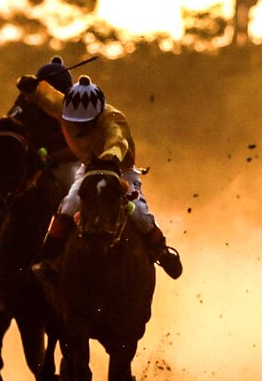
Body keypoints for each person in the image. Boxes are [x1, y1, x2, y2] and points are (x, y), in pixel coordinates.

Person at [16, 73, 183, 280]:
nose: (80, 127)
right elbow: (47, 97)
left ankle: (162, 251)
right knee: (69, 204)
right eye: (75, 122)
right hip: (89, 169)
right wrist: (31, 86)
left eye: (86, 123)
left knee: (137, 210)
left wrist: (109, 158)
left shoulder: (113, 118)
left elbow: (117, 141)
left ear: (97, 114)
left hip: (120, 169)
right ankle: (47, 258)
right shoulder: (66, 108)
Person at [0, 56, 80, 242]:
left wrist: (52, 159)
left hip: (64, 160)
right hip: (31, 156)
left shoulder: (74, 107)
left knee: (72, 189)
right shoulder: (25, 101)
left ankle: (72, 236)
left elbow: (79, 146)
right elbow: (12, 125)